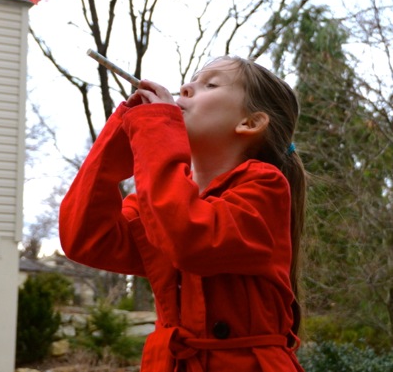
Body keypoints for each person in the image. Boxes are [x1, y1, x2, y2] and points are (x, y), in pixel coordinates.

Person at [59, 56, 307, 372]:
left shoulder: (266, 187)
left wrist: (156, 129)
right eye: (191, 79)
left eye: (210, 84)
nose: (185, 88)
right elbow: (85, 237)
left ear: (251, 123)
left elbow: (189, 237)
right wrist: (123, 133)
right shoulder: (156, 203)